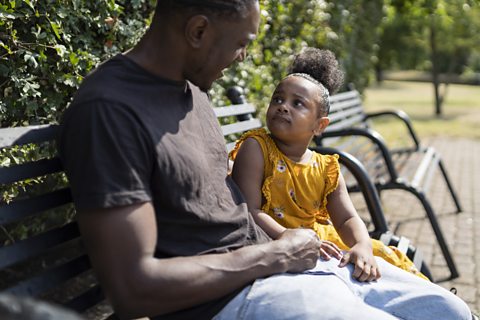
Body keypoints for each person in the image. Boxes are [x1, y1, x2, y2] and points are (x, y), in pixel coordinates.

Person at [58, 0, 472, 319]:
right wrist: (276, 254)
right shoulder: (109, 111)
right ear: (198, 30)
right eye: (240, 43)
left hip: (289, 268)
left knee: (448, 311)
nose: (241, 57)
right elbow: (133, 290)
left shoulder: (192, 92)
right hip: (232, 297)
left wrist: (289, 252)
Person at [229, 47, 428, 282]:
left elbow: (346, 219)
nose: (283, 106)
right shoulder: (256, 148)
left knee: (384, 258)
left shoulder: (325, 168)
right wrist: (286, 235)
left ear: (319, 126)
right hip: (274, 244)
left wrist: (362, 245)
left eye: (298, 103)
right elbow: (249, 210)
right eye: (278, 99)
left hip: (320, 241)